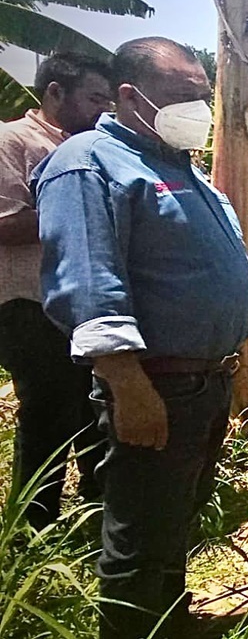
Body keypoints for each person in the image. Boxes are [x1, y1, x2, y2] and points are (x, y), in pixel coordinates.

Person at [32, 37, 248, 639]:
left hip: (203, 380)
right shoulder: (89, 162)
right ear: (131, 96)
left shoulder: (178, 166)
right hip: (155, 382)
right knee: (138, 530)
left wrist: (235, 359)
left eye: (202, 98)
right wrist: (127, 383)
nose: (201, 112)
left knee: (174, 517)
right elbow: (86, 278)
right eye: (185, 98)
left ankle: (170, 620)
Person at [0, 51, 113, 529]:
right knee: (47, 414)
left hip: (78, 304)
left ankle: (94, 517)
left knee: (92, 411)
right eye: (94, 98)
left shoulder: (96, 148)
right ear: (54, 93)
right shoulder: (13, 141)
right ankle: (32, 529)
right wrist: (78, 209)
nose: (101, 110)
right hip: (26, 303)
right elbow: (4, 224)